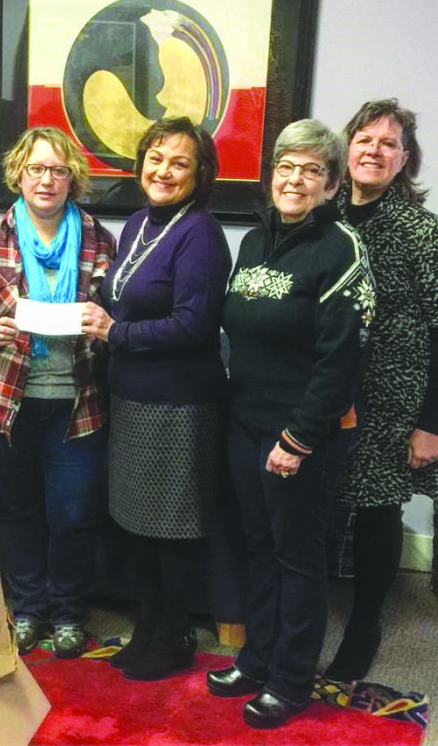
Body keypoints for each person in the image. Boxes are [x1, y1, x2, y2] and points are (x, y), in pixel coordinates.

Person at [209, 119, 375, 729]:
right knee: (259, 548)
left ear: (331, 185)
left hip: (303, 435)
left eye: (311, 170)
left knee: (297, 557)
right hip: (246, 423)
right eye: (286, 166)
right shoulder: (255, 243)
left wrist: (298, 437)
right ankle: (257, 660)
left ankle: (292, 679)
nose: (295, 179)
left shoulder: (341, 249)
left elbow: (342, 359)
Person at [0, 126, 115, 658]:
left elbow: (120, 313)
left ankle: (66, 613)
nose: (47, 179)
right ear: (19, 175)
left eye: (58, 170)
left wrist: (106, 323)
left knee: (73, 517)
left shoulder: (100, 239)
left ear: (72, 179)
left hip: (78, 406)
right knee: (18, 512)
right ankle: (29, 609)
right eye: (36, 168)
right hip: (3, 403)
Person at [81, 117, 232, 681]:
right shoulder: (139, 223)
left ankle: (175, 635)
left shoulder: (201, 233)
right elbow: (125, 298)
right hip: (131, 397)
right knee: (138, 524)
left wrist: (114, 332)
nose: (163, 171)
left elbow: (194, 325)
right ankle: (148, 626)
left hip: (179, 406)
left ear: (200, 174)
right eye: (156, 158)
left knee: (172, 527)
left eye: (179, 162)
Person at [326, 100, 438, 681]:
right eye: (364, 139)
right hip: (327, 387)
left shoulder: (421, 231)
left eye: (388, 143)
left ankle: (365, 624)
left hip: (392, 397)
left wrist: (431, 423)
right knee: (320, 498)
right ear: (347, 148)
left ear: (404, 159)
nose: (374, 150)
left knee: (375, 507)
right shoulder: (323, 215)